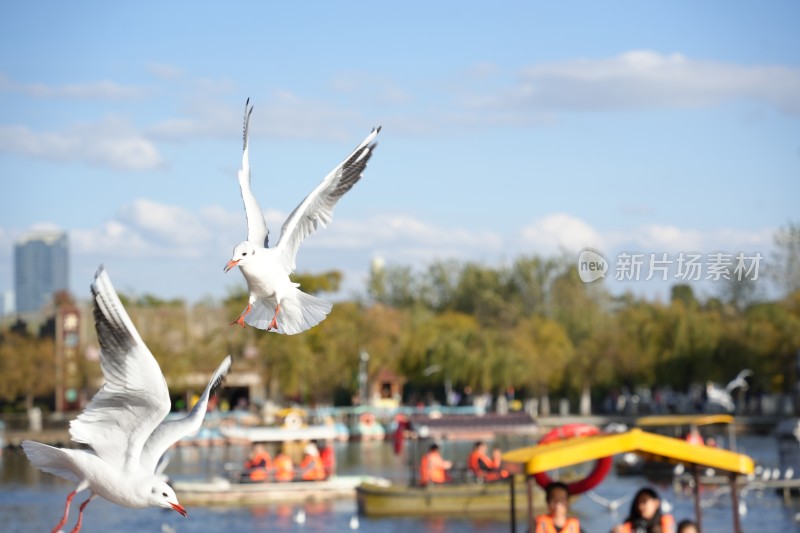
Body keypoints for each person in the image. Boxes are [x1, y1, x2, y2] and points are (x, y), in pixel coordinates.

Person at [612, 487, 676, 533]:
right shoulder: (630, 524)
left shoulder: (665, 522)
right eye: (638, 503)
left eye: (644, 502)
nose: (640, 506)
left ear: (656, 503)